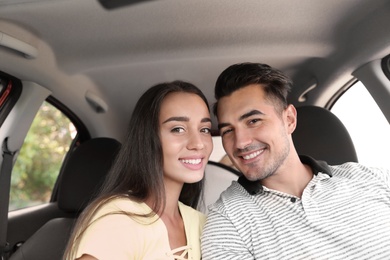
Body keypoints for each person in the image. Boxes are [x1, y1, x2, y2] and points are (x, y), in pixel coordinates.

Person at [201, 62, 390, 259]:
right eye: (228, 130)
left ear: (289, 119)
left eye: (253, 121)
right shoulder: (227, 221)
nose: (240, 142)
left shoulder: (371, 177)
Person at [64, 80, 213, 260]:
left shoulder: (202, 224)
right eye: (178, 129)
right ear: (147, 139)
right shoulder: (119, 219)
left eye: (204, 129)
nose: (198, 143)